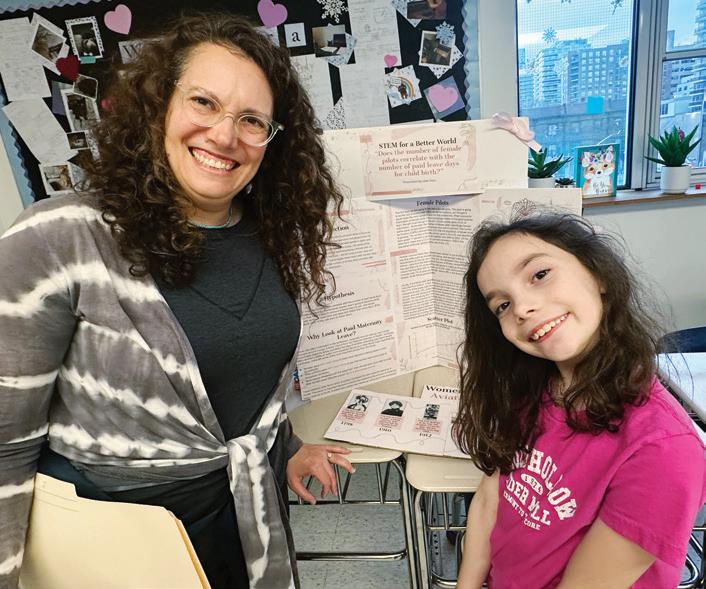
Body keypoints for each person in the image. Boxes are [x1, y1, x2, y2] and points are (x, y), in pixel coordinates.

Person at [0, 13, 353, 589]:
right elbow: (5, 442)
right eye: (203, 102)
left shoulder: (271, 233)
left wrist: (285, 445)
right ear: (158, 107)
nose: (225, 135)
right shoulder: (60, 236)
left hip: (242, 523)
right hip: (115, 546)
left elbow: (241, 375)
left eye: (252, 120)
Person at [453, 213, 706, 588]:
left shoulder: (665, 451)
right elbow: (491, 498)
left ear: (597, 273)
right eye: (502, 305)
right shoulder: (533, 388)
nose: (521, 308)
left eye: (540, 274)